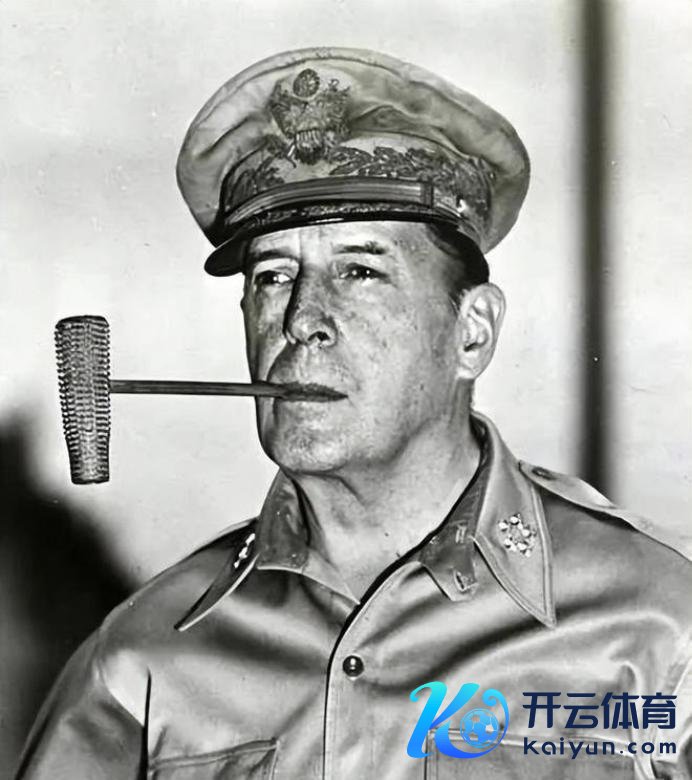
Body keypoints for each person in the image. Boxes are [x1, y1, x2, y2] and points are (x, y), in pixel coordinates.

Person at [16, 47, 692, 780]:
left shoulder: (661, 624)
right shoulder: (143, 660)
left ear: (472, 334)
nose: (302, 319)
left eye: (360, 270)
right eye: (273, 276)